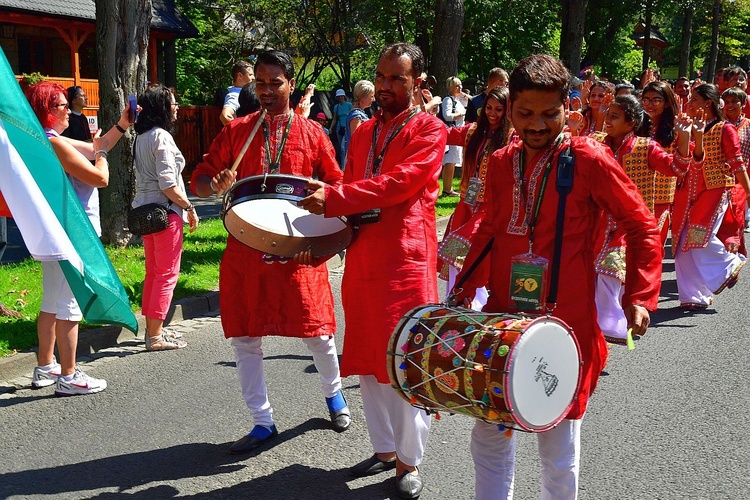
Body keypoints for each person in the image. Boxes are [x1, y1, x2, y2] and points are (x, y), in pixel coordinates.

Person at [453, 54, 662, 499]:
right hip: (504, 320)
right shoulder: (502, 160)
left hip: (565, 326)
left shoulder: (589, 157)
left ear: (568, 108)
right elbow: (490, 228)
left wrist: (640, 296)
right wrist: (463, 286)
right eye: (525, 113)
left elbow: (640, 223)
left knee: (558, 449)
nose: (536, 124)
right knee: (489, 437)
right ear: (510, 110)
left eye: (549, 114)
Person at [298, 42, 447, 499]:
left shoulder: (430, 129)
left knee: (403, 360)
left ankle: (409, 459)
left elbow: (399, 185)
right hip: (362, 258)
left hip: (405, 260)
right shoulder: (361, 132)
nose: (385, 86)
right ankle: (384, 448)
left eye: (396, 79)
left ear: (417, 83)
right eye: (381, 77)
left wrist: (338, 199)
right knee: (366, 358)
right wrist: (319, 237)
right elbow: (350, 186)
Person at [190, 50, 350, 454]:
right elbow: (201, 180)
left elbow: (335, 183)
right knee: (245, 338)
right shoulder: (237, 131)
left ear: (291, 84)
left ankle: (335, 397)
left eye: (274, 82)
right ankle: (262, 421)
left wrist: (323, 208)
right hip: (246, 251)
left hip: (297, 246)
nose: (265, 90)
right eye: (259, 83)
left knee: (318, 331)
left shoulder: (314, 133)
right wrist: (217, 184)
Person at [26, 82, 134, 395]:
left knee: (51, 302)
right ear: (47, 110)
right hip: (72, 231)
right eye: (60, 105)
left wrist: (122, 125)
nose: (68, 109)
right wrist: (100, 153)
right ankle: (69, 375)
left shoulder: (44, 140)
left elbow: (94, 146)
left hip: (52, 230)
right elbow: (100, 176)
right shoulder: (55, 144)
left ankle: (46, 367)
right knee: (70, 304)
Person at [591, 94, 690, 343]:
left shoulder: (646, 147)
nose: (608, 121)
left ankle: (610, 326)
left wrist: (688, 138)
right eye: (608, 115)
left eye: (614, 116)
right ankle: (600, 326)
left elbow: (676, 168)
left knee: (609, 268)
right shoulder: (596, 143)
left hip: (629, 225)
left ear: (631, 122)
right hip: (598, 222)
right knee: (590, 273)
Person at [672, 84, 750, 310]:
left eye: (694, 99)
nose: (690, 102)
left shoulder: (725, 129)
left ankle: (729, 266)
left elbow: (737, 164)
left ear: (708, 103)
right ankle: (694, 296)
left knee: (698, 236)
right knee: (681, 242)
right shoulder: (693, 127)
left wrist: (748, 191)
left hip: (715, 189)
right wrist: (689, 134)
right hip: (688, 192)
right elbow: (691, 159)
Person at [132, 85, 198, 351]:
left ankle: (153, 331)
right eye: (172, 103)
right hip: (165, 213)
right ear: (161, 108)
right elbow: (168, 184)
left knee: (154, 274)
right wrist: (189, 207)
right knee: (167, 275)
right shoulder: (161, 137)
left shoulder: (142, 136)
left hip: (145, 213)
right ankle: (156, 336)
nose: (176, 108)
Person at [437, 86, 512, 310]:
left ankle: (475, 300)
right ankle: (459, 299)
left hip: (490, 209)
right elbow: (443, 133)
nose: (492, 113)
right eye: (489, 108)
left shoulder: (512, 136)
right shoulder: (473, 132)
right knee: (453, 252)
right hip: (466, 204)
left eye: (499, 109)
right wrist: (422, 110)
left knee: (470, 251)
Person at [642, 81, 681, 247]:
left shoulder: (676, 128)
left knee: (653, 249)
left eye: (656, 100)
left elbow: (685, 162)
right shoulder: (635, 126)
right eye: (646, 99)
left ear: (666, 103)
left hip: (661, 198)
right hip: (636, 194)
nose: (650, 105)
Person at [718, 86, 749, 254]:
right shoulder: (718, 126)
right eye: (727, 102)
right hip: (717, 181)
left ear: (743, 104)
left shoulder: (748, 127)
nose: (730, 105)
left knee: (735, 218)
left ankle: (734, 256)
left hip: (739, 182)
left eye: (734, 101)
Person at [441, 76, 467, 196]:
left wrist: (464, 96)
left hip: (458, 133)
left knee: (452, 162)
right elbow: (447, 116)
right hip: (451, 133)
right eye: (457, 85)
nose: (460, 87)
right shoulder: (448, 100)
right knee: (449, 162)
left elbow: (471, 102)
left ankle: (449, 188)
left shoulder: (459, 100)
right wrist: (461, 114)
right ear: (451, 88)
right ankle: (447, 189)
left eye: (460, 85)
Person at [341, 80, 374, 167]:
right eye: (371, 96)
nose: (373, 99)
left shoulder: (359, 113)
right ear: (363, 98)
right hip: (357, 160)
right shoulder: (356, 116)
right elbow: (356, 141)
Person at [220, 60, 254, 126]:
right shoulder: (235, 95)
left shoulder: (245, 92)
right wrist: (240, 132)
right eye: (250, 75)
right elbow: (225, 116)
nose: (253, 78)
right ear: (240, 76)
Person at [330, 88, 353, 165]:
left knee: (344, 148)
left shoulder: (349, 105)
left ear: (344, 96)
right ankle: (343, 163)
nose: (340, 98)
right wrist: (330, 128)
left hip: (347, 128)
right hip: (339, 128)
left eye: (341, 96)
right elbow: (334, 118)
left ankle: (344, 167)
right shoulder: (336, 107)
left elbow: (352, 116)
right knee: (341, 148)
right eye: (338, 96)